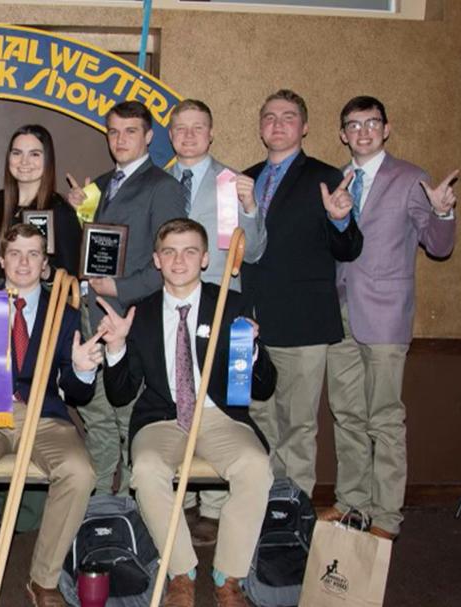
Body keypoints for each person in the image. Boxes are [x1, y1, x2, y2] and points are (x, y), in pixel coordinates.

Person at [98, 218, 276, 607]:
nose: (180, 260)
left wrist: (253, 346)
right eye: (170, 251)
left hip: (219, 414)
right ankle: (181, 572)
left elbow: (263, 387)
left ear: (206, 258)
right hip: (163, 416)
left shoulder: (232, 303)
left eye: (190, 251)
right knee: (145, 470)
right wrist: (116, 349)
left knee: (255, 467)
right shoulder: (139, 313)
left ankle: (228, 576)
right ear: (157, 260)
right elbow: (120, 393)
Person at [0, 223, 100, 607]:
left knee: (81, 473)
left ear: (45, 264)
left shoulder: (63, 312)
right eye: (14, 253)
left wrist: (81, 369)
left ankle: (43, 580)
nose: (23, 261)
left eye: (33, 254)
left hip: (43, 414)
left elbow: (78, 392)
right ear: (0, 260)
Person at [323, 95, 456, 539]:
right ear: (343, 134)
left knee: (383, 418)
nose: (363, 131)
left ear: (386, 128)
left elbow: (438, 247)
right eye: (353, 125)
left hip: (384, 316)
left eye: (372, 123)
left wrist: (441, 211)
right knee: (347, 415)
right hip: (337, 314)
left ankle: (387, 517)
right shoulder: (337, 180)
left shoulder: (411, 178)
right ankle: (352, 504)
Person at [241, 89, 363, 498]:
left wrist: (341, 220)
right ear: (260, 127)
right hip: (253, 325)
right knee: (257, 422)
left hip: (304, 323)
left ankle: (293, 514)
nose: (278, 123)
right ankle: (261, 506)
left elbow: (348, 249)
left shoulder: (327, 178)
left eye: (288, 116)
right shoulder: (246, 178)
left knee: (297, 426)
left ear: (305, 127)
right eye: (270, 116)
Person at [67, 100, 185, 495]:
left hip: (130, 318)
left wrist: (119, 288)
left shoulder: (163, 187)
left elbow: (168, 261)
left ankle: (136, 505)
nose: (120, 139)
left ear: (149, 136)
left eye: (131, 131)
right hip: (88, 314)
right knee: (96, 414)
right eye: (113, 131)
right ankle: (100, 500)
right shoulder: (97, 186)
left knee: (128, 414)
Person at [166, 98, 268, 545]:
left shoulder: (233, 182)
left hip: (220, 301)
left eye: (198, 128)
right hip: (170, 300)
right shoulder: (160, 180)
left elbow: (256, 248)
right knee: (176, 388)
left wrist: (249, 207)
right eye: (181, 128)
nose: (189, 135)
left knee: (220, 396)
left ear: (211, 134)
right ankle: (183, 499)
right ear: (171, 135)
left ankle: (213, 504)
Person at [0, 124, 81, 281]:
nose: (24, 161)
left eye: (34, 154)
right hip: (1, 298)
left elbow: (72, 276)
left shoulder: (60, 209)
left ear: (47, 160)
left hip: (43, 301)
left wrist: (45, 272)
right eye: (17, 153)